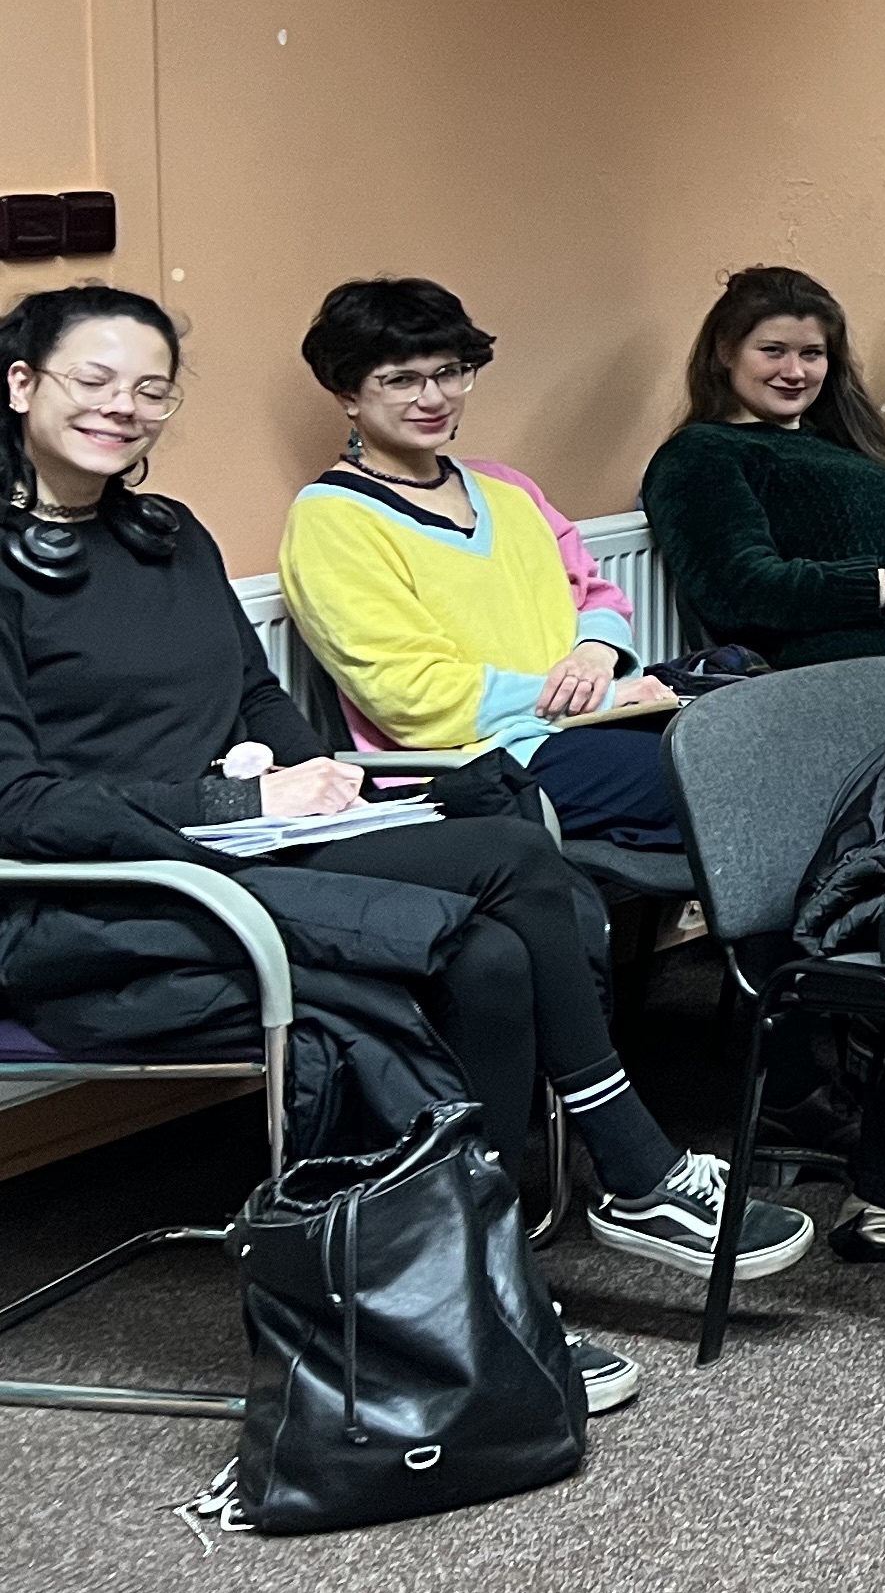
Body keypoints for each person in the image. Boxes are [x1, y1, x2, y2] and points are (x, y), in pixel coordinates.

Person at [0, 286, 808, 1415]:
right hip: (106, 899)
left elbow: (254, 694)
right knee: (510, 872)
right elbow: (18, 803)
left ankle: (493, 1283)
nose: (122, 408)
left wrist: (317, 783)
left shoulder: (167, 533)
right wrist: (235, 798)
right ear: (21, 384)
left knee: (493, 923)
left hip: (248, 848)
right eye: (93, 381)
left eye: (150, 389)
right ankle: (621, 1175)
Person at [277, 277, 685, 870]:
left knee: (777, 752)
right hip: (477, 764)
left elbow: (596, 594)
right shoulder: (331, 520)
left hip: (593, 726)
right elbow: (413, 696)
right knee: (727, 784)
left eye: (449, 373)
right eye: (401, 380)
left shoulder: (507, 488)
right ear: (348, 394)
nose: (434, 398)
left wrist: (595, 655)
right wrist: (596, 699)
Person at [641, 266, 885, 668]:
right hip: (856, 672)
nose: (795, 372)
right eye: (773, 351)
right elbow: (742, 591)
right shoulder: (700, 453)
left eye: (811, 353)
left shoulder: (854, 444)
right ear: (725, 351)